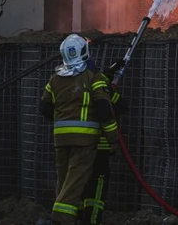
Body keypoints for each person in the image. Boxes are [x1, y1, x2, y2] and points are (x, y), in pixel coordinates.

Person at [40, 34, 119, 225]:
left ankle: (71, 217)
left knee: (64, 181)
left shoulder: (55, 79)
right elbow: (103, 110)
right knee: (74, 182)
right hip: (84, 142)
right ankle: (59, 219)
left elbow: (44, 107)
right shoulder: (93, 77)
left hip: (61, 140)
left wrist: (63, 119)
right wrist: (113, 138)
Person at [80, 59, 128, 225]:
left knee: (77, 186)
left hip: (75, 149)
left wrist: (106, 77)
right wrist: (107, 86)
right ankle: (92, 221)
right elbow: (120, 106)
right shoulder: (100, 89)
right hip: (99, 149)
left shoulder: (69, 87)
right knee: (96, 189)